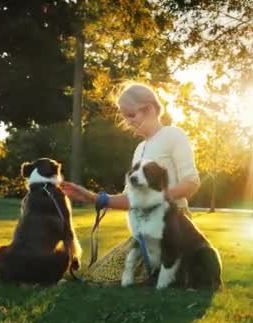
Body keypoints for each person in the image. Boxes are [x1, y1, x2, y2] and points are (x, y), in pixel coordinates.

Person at [61, 82, 200, 285]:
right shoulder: (139, 149)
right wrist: (92, 197)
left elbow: (192, 182)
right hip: (143, 232)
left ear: (151, 109)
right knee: (95, 274)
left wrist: (156, 200)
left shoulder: (173, 135)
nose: (127, 122)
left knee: (109, 280)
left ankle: (171, 274)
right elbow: (131, 199)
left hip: (170, 227)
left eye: (131, 115)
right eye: (125, 116)